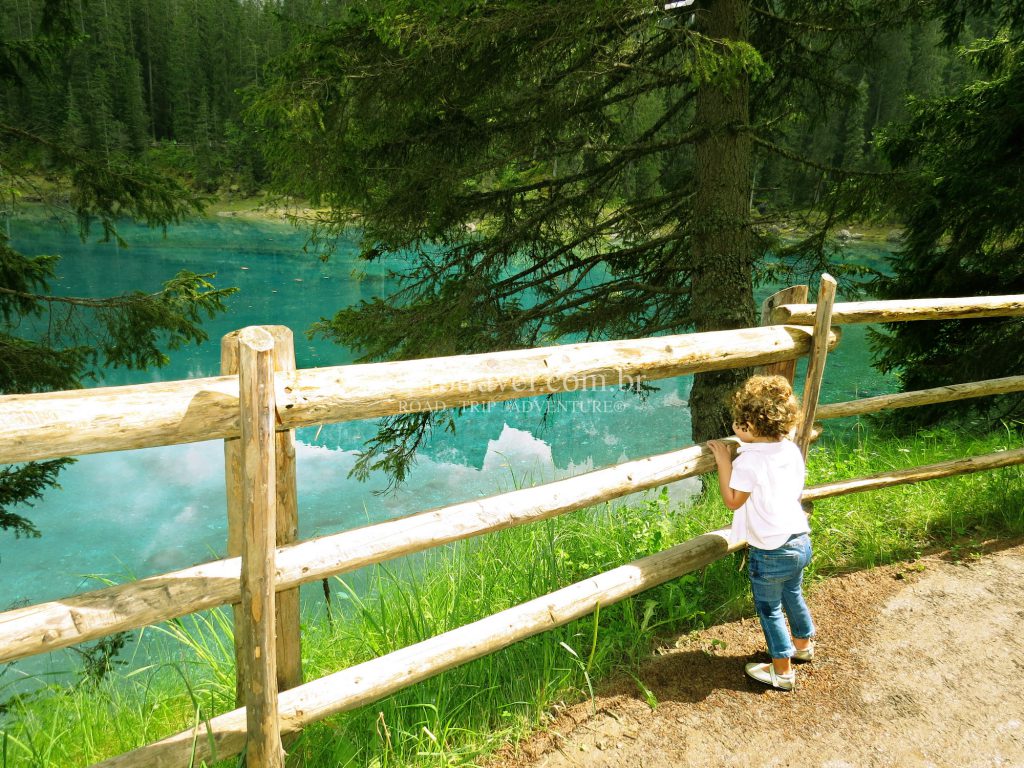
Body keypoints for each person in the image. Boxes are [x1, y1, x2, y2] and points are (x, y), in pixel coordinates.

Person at [707, 374, 815, 692]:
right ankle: (803, 645)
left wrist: (723, 460)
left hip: (771, 549)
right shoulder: (788, 449)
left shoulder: (749, 463)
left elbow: (732, 500)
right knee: (792, 594)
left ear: (751, 425)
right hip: (798, 539)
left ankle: (781, 671)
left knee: (769, 608)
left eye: (738, 422)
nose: (734, 426)